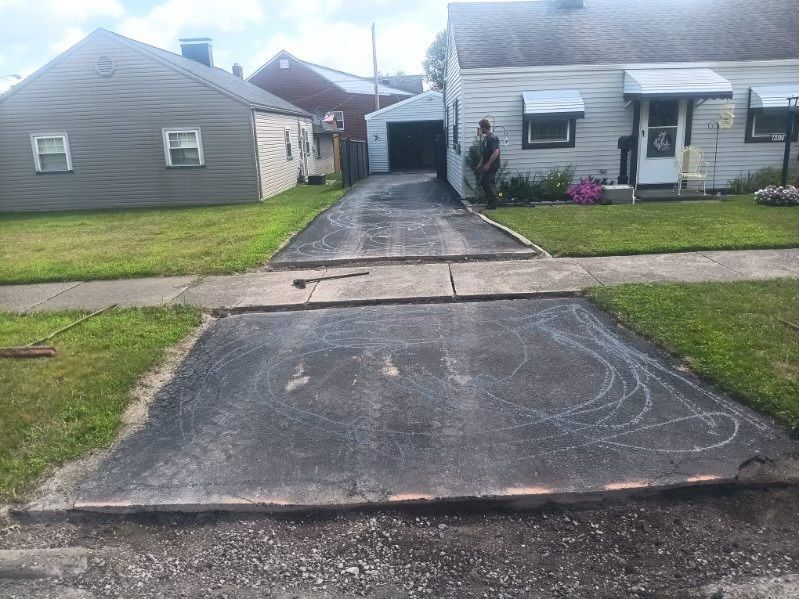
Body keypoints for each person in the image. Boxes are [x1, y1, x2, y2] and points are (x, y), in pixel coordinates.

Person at [476, 118, 501, 210]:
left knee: (484, 182)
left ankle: (495, 199)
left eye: (480, 127)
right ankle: (491, 203)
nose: (479, 129)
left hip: (493, 165)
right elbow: (485, 153)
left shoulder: (492, 138)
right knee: (490, 182)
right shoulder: (486, 138)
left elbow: (496, 152)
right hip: (488, 163)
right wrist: (480, 163)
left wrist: (488, 165)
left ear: (483, 127)